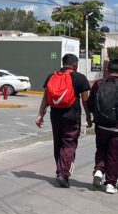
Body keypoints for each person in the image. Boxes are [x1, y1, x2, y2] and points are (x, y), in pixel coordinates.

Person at [35, 53, 91, 188]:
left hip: (55, 116)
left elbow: (46, 98)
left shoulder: (51, 76)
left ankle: (60, 171)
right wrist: (89, 116)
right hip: (72, 117)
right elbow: (85, 101)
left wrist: (40, 115)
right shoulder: (80, 78)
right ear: (75, 64)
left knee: (58, 144)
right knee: (69, 144)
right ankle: (63, 173)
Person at [88, 58, 118, 194]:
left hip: (100, 125)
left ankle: (99, 171)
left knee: (101, 149)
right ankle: (110, 184)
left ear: (108, 69)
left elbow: (90, 104)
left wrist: (98, 115)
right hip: (116, 127)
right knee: (114, 155)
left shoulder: (99, 83)